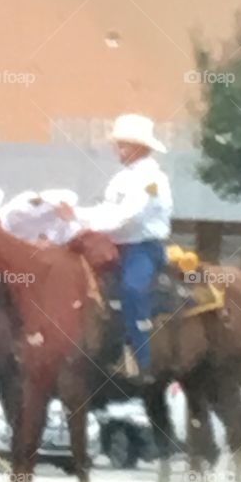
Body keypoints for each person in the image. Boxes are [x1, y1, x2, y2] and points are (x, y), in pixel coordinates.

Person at [58, 114, 173, 381]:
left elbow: (126, 215)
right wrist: (76, 214)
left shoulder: (151, 180)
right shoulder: (122, 178)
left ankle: (144, 358)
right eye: (119, 144)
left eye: (124, 145)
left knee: (133, 289)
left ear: (141, 148)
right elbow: (106, 210)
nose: (118, 150)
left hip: (143, 248)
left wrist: (82, 220)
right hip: (117, 246)